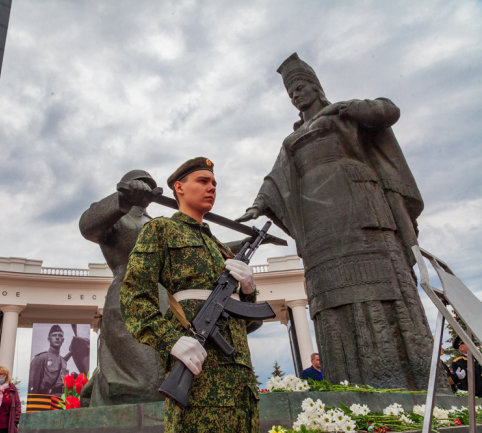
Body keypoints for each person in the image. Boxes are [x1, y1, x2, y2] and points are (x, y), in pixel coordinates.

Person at [237, 53, 435, 390]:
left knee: (383, 281)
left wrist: (350, 107)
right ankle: (352, 385)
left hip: (361, 208)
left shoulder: (344, 113)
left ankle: (414, 380)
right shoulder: (291, 140)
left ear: (315, 87)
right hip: (319, 225)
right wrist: (257, 206)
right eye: (291, 93)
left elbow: (388, 111)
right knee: (333, 294)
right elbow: (276, 180)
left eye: (300, 88)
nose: (296, 96)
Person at [121, 157, 260, 433]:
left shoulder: (220, 248)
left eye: (215, 183)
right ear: (179, 187)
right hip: (201, 381)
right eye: (203, 181)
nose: (212, 188)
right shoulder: (161, 230)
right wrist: (172, 341)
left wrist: (248, 291)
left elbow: (249, 323)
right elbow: (134, 296)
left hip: (242, 385)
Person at [78, 169, 164, 406]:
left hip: (164, 303)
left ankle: (99, 385)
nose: (145, 188)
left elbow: (188, 253)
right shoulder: (116, 217)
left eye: (148, 185)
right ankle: (99, 388)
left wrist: (238, 248)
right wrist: (123, 201)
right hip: (126, 300)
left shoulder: (159, 225)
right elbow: (87, 226)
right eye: (140, 184)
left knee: (163, 377)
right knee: (143, 382)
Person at [28, 325, 68, 396]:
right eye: (54, 335)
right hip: (46, 401)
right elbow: (33, 387)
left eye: (60, 335)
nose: (57, 337)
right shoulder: (40, 359)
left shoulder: (63, 362)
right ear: (49, 339)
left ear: (63, 340)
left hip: (62, 401)